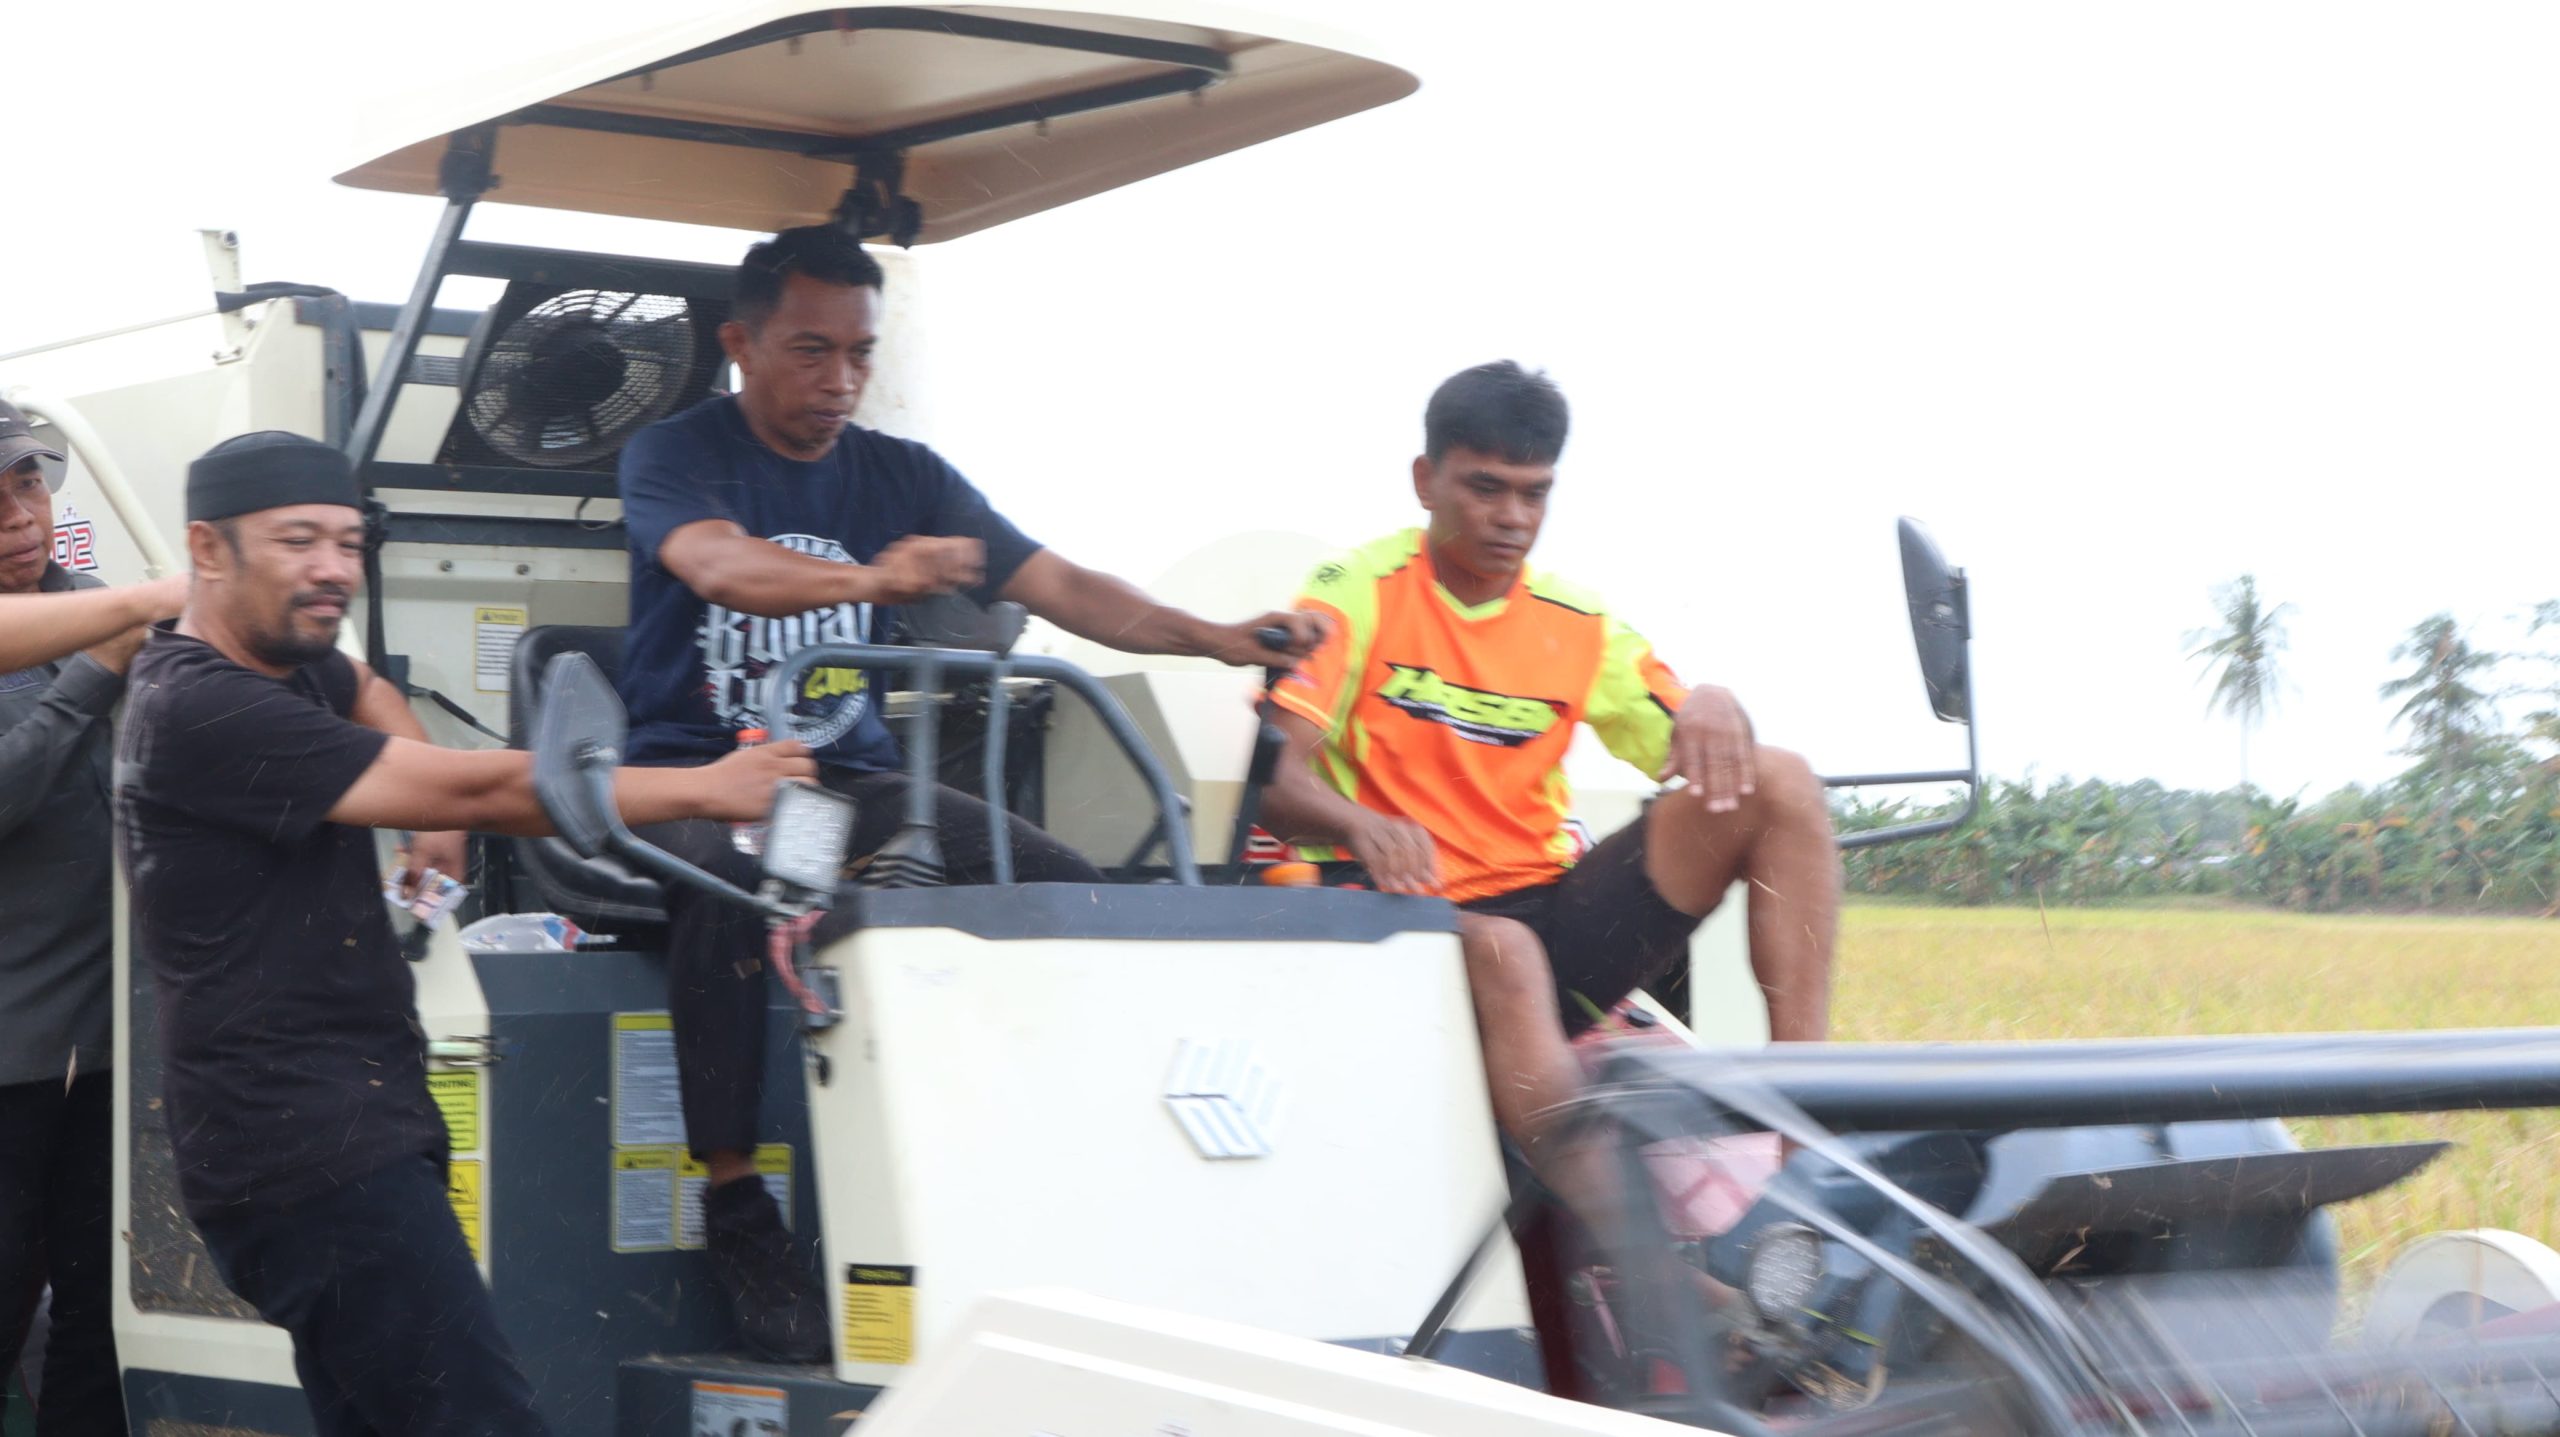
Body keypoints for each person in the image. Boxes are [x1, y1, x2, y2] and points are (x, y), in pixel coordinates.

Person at [616, 223, 1323, 1361]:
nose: (840, 381)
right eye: (811, 351)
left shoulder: (902, 476)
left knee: (1064, 888)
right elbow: (716, 564)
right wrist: (870, 576)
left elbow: (1064, 585)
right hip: (699, 776)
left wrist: (1217, 637)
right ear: (739, 344)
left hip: (840, 782)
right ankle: (738, 1205)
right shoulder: (676, 456)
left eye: (860, 353)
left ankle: (1051, 1170)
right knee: (735, 882)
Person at [117, 432, 814, 1437]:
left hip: (343, 1132)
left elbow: (362, 687)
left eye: (349, 543)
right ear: (207, 549)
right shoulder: (197, 704)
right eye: (299, 541)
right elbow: (484, 788)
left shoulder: (281, 664)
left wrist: (417, 790)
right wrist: (706, 787)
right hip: (306, 1153)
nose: (333, 569)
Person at [1255, 361, 1840, 1185]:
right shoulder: (1356, 591)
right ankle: (1632, 1246)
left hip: (1550, 922)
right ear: (1425, 480)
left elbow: (1698, 747)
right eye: (1485, 488)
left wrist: (1714, 702)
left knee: (1779, 779)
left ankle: (1807, 1144)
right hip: (1400, 926)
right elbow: (1274, 781)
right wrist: (1360, 823)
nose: (1512, 518)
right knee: (1505, 952)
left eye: (1535, 494)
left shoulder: (1579, 621)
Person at [0, 402, 152, 1437]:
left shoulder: (101, 606)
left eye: (28, 483)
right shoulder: (103, 640)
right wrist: (92, 680)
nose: (19, 515)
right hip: (10, 1060)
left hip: (115, 1052)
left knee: (105, 1317)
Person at [0, 403, 184, 671]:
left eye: (28, 484)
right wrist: (101, 666)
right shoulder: (112, 610)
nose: (19, 516)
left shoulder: (85, 590)